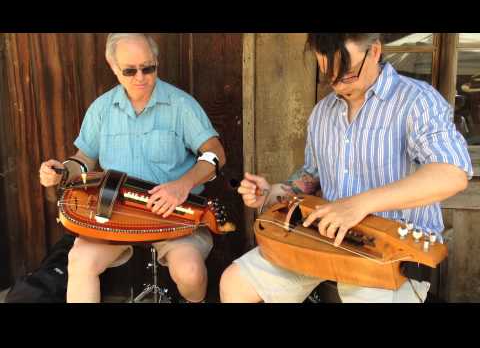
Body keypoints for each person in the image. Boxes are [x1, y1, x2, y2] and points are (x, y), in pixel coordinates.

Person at [220, 33, 473, 303]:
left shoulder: (417, 101)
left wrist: (358, 205)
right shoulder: (322, 112)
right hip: (325, 237)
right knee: (235, 284)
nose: (338, 84)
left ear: (374, 52)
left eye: (348, 73)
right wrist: (271, 193)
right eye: (329, 74)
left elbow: (452, 173)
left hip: (392, 249)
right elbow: (311, 178)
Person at [39, 33, 226, 303]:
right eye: (129, 70)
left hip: (174, 213)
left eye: (148, 68)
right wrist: (61, 171)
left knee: (191, 271)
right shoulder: (101, 109)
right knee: (79, 260)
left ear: (156, 62)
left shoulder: (181, 105)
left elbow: (216, 153)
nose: (140, 77)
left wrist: (182, 185)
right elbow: (83, 160)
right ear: (113, 67)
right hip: (113, 213)